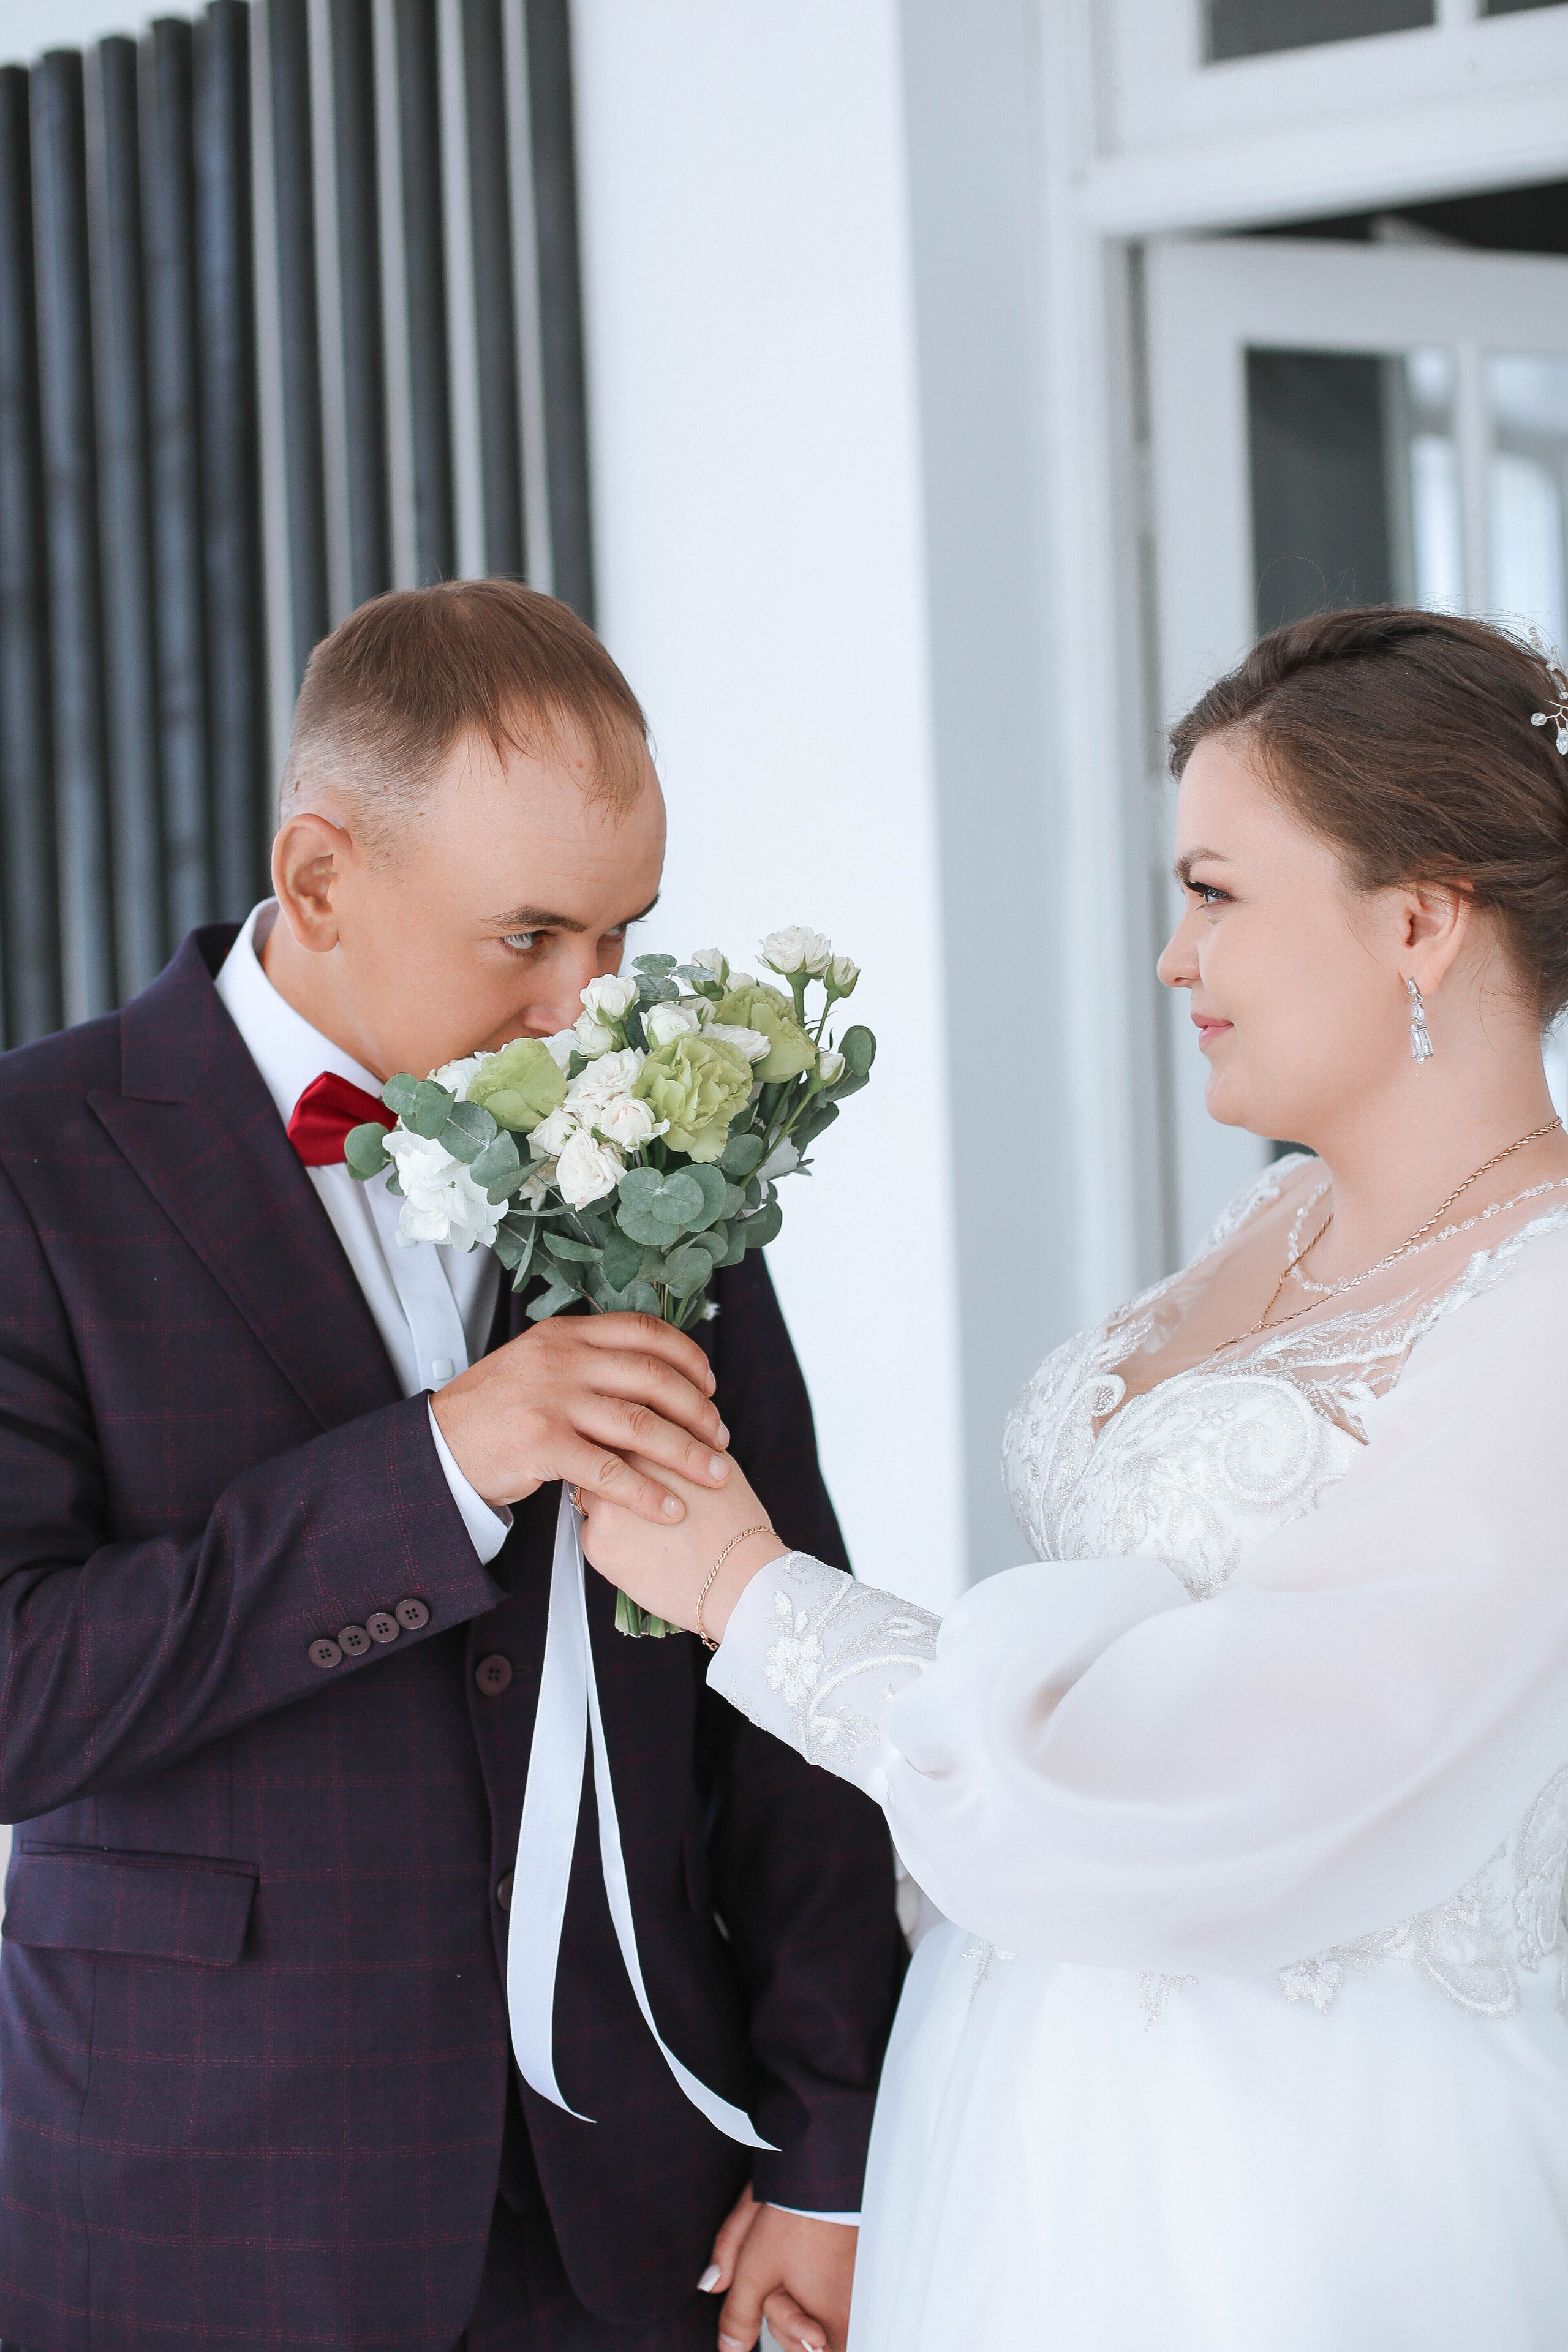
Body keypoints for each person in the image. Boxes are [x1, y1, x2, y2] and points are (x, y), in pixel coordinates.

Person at [579, 606, 1568, 2351]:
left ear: (1420, 920)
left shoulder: (1544, 1314)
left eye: (1217, 892)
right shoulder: (1281, 1216)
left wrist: (754, 1596)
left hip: (1297, 2179)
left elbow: (1223, 1765)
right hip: (1024, 2103)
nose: (1176, 960)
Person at [0, 581, 906, 2352]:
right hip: (199, 2218)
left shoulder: (668, 1153)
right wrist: (436, 1472)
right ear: (320, 878)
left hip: (642, 2222)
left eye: (626, 933)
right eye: (531, 937)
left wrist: (833, 2156)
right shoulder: (33, 1164)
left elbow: (789, 1674)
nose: (594, 1007)